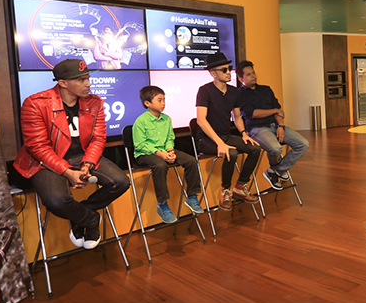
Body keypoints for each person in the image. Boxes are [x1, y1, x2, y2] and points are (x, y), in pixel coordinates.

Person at [13, 59, 130, 250]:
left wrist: (87, 165)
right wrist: (68, 172)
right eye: (82, 80)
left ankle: (80, 215)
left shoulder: (95, 103)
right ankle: (91, 220)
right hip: (45, 159)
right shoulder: (35, 103)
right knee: (56, 200)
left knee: (121, 182)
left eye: (88, 78)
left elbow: (98, 139)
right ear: (63, 83)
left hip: (81, 155)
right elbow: (37, 147)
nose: (88, 84)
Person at [194, 52, 261, 209]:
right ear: (213, 74)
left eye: (229, 68)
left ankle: (240, 187)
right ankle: (226, 191)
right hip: (206, 139)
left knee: (255, 148)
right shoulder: (205, 91)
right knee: (232, 153)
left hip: (225, 136)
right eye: (223, 70)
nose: (228, 72)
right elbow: (201, 120)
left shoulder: (233, 92)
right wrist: (220, 143)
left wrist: (244, 133)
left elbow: (237, 117)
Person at [131, 86, 206, 223]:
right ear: (147, 103)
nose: (163, 103)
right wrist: (161, 154)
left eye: (164, 99)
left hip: (165, 150)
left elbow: (170, 138)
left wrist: (170, 150)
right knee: (160, 165)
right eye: (159, 100)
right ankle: (162, 204)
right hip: (145, 153)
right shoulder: (140, 122)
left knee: (191, 161)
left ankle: (192, 196)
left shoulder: (167, 119)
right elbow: (140, 145)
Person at [237, 59, 309, 191]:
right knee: (276, 148)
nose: (253, 76)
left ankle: (275, 170)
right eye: (248, 74)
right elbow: (253, 114)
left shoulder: (266, 89)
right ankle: (278, 170)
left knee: (303, 144)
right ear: (241, 78)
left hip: (275, 126)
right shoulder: (239, 94)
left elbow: (279, 110)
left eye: (253, 72)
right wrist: (274, 111)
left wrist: (281, 126)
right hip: (257, 129)